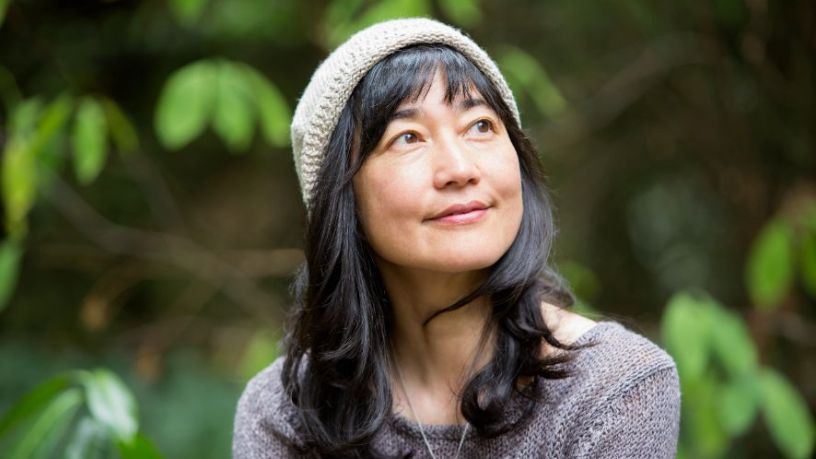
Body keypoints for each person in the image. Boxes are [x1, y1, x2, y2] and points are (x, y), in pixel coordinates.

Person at [233, 18, 680, 459]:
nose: (460, 169)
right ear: (341, 197)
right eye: (408, 137)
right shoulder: (285, 412)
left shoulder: (612, 389)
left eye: (480, 125)